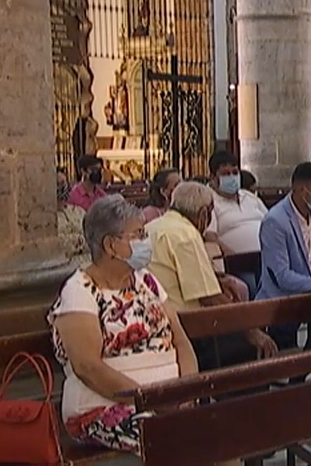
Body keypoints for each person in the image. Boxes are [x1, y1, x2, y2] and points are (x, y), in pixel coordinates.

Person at [47, 195, 198, 455]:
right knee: (175, 439)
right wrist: (153, 401)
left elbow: (180, 340)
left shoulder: (145, 280)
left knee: (223, 429)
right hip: (102, 406)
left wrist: (186, 392)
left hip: (168, 401)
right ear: (110, 245)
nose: (145, 241)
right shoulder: (80, 290)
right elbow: (88, 367)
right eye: (138, 235)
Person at [147, 182, 277, 370]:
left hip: (156, 317)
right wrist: (251, 331)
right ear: (203, 214)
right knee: (244, 349)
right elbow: (209, 297)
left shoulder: (154, 226)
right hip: (184, 326)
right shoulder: (186, 235)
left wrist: (218, 279)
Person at [257, 162, 311, 355]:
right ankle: (297, 374)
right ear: (300, 189)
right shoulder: (275, 221)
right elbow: (282, 276)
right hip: (284, 297)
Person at [205, 151, 269, 296]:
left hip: (265, 258)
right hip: (236, 264)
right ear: (213, 177)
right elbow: (210, 236)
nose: (232, 177)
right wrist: (229, 253)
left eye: (235, 172)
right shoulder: (209, 201)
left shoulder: (250, 197)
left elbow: (271, 222)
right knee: (251, 286)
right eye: (226, 174)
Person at [57, 167, 89, 268]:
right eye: (57, 184)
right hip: (64, 265)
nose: (62, 188)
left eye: (63, 183)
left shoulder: (79, 212)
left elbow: (92, 236)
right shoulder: (47, 219)